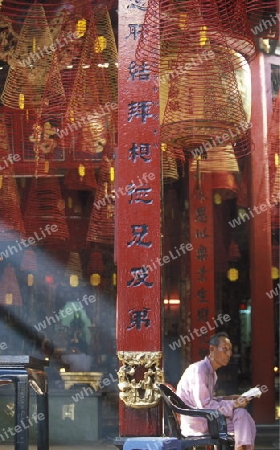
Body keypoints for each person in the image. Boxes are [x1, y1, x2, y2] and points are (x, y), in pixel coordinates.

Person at [176, 331, 256, 450]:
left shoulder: (211, 373)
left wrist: (227, 398)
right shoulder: (199, 370)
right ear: (212, 349)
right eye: (225, 349)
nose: (229, 354)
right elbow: (204, 405)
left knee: (243, 416)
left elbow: (208, 400)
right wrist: (234, 404)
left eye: (230, 350)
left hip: (207, 418)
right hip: (197, 422)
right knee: (242, 416)